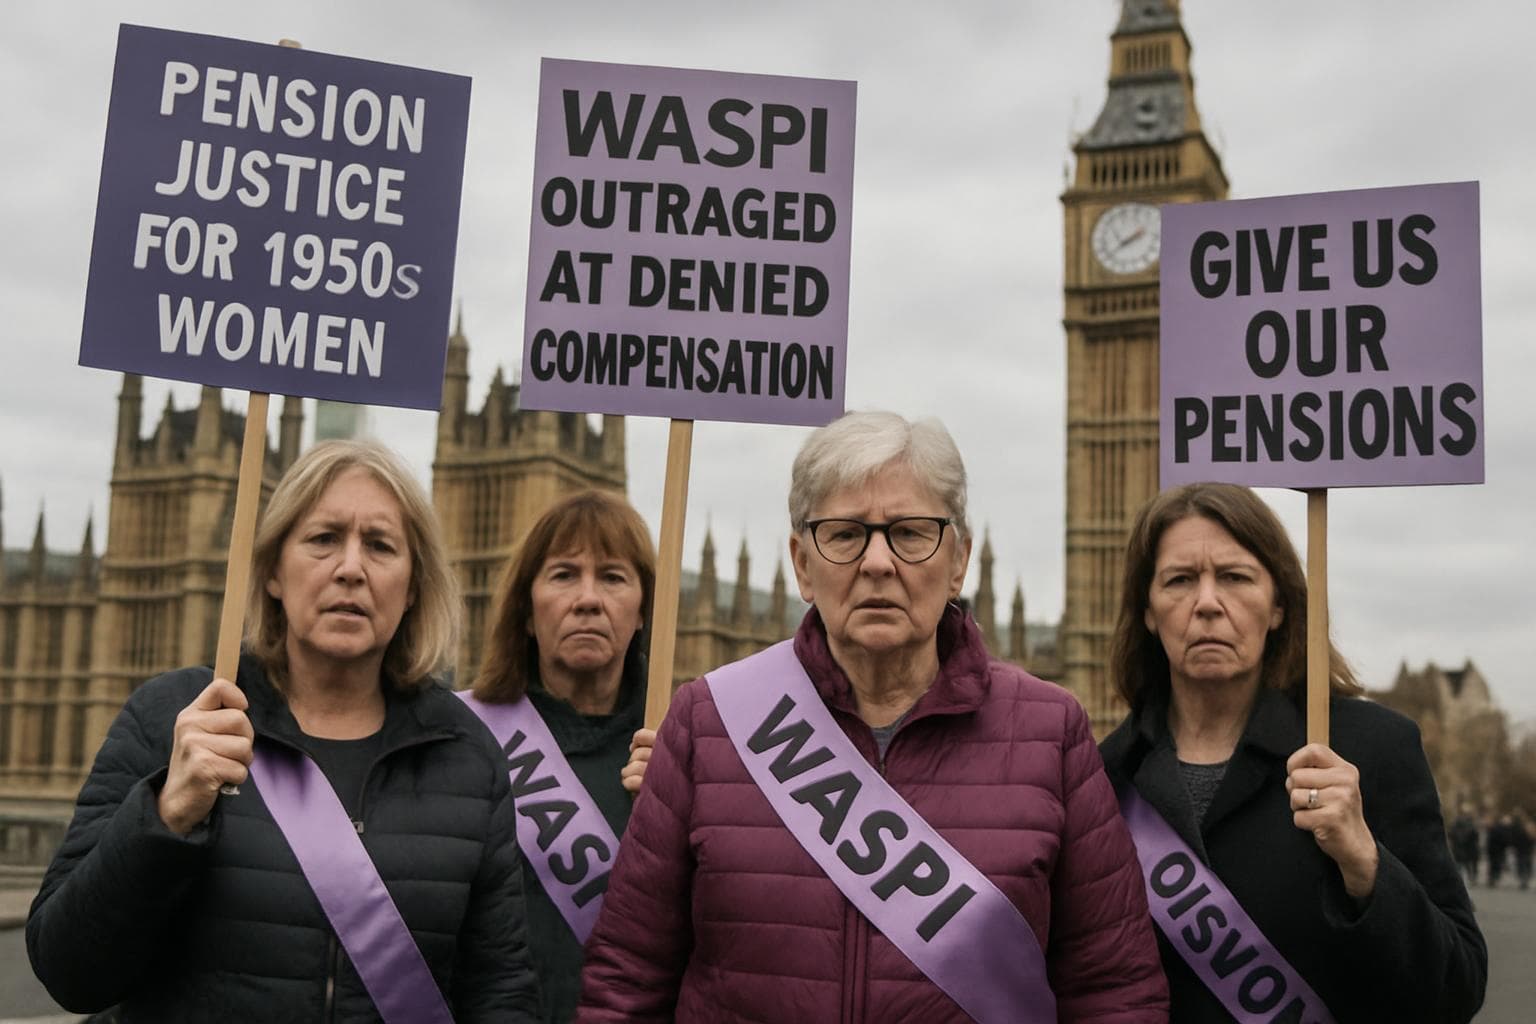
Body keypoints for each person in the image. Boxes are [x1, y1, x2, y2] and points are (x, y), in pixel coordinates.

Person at [578, 411, 1168, 1023]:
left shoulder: (1053, 733)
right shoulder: (707, 720)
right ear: (802, 564)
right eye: (845, 534)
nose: (878, 562)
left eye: (911, 533)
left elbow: (1114, 991)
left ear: (960, 562)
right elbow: (627, 980)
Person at [27, 440, 540, 1022]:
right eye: (323, 539)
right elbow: (69, 971)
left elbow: (500, 992)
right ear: (271, 570)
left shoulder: (468, 754)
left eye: (380, 545)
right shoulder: (173, 717)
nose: (351, 568)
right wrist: (164, 815)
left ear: (414, 586)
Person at [1098, 482, 1486, 1023]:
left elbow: (1456, 988)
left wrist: (1365, 864)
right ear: (1147, 610)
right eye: (1180, 580)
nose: (1207, 603)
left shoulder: (1370, 748)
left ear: (1278, 606)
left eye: (1235, 578)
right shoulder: (1104, 777)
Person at [463, 489, 656, 1023]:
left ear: (644, 613)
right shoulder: (460, 740)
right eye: (564, 574)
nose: (588, 599)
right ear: (525, 612)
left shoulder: (686, 752)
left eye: (613, 577)